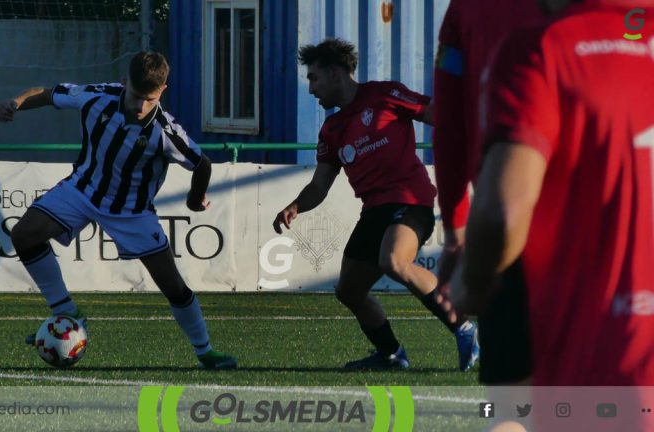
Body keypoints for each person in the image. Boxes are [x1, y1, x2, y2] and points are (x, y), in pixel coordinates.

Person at [451, 0, 654, 391]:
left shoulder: (546, 47)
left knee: (510, 408)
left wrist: (471, 283)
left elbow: (501, 213)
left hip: (607, 367)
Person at [0, 51, 237, 370]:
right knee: (24, 235)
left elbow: (201, 163)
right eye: (136, 96)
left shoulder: (165, 131)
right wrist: (16, 102)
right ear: (125, 83)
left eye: (149, 100)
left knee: (173, 286)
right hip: (82, 189)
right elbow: (49, 93)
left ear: (162, 91)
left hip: (131, 211)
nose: (140, 106)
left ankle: (205, 351)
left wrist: (196, 198)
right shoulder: (99, 97)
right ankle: (66, 311)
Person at [273, 38, 479, 371]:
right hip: (374, 212)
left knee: (394, 261)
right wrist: (296, 205)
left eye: (313, 78)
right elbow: (320, 185)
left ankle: (464, 327)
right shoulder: (332, 130)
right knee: (349, 292)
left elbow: (438, 114)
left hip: (411, 201)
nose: (310, 89)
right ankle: (391, 355)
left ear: (336, 74)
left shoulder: (384, 95)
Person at [433, 0, 545, 391]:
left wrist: (456, 228)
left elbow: (448, 126)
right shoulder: (629, 15)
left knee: (512, 404)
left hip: (513, 230)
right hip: (615, 235)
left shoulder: (469, 10)